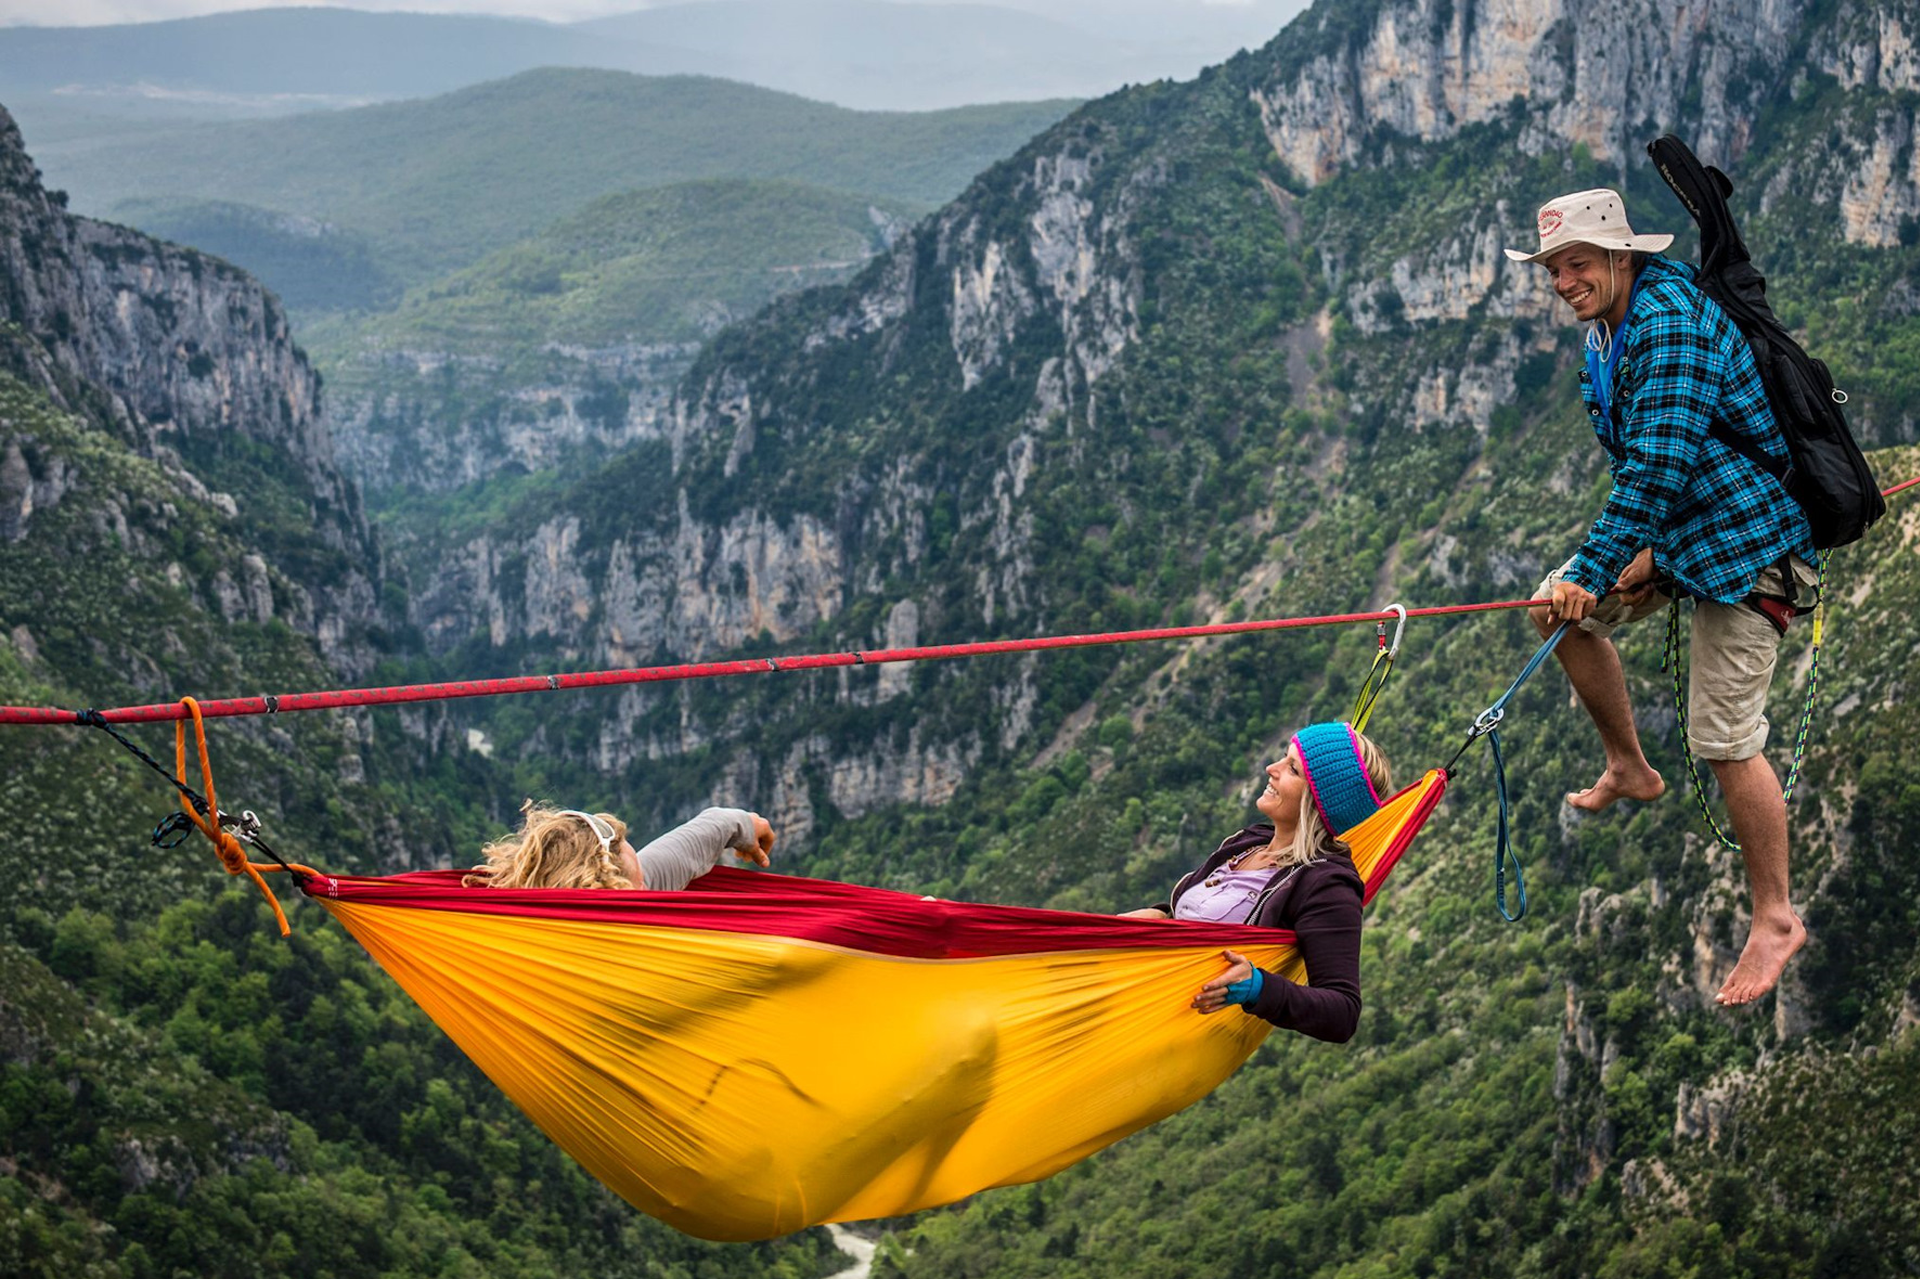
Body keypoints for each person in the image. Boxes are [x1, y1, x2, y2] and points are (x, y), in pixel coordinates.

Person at [1505, 187, 1819, 1006]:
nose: (1562, 280)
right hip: (1683, 538)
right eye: (1552, 268)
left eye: (1576, 263)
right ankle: (1628, 763)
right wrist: (1627, 560)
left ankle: (1776, 916)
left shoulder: (1669, 322)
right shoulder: (1609, 332)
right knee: (1553, 610)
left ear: (1618, 256)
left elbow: (1657, 466)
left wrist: (1600, 564)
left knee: (1724, 737)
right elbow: (1645, 467)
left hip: (1754, 549)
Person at [1121, 721, 1392, 1043]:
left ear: (1318, 802)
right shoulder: (1250, 841)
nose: (1270, 768)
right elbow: (1207, 919)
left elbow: (1342, 1014)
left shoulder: (1327, 887)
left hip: (1172, 1028)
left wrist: (1258, 987)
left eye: (1291, 769)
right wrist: (1163, 916)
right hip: (1138, 989)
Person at [463, 801, 776, 890]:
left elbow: (676, 853)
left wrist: (740, 825)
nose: (647, 889)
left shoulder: (629, 891)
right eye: (639, 885)